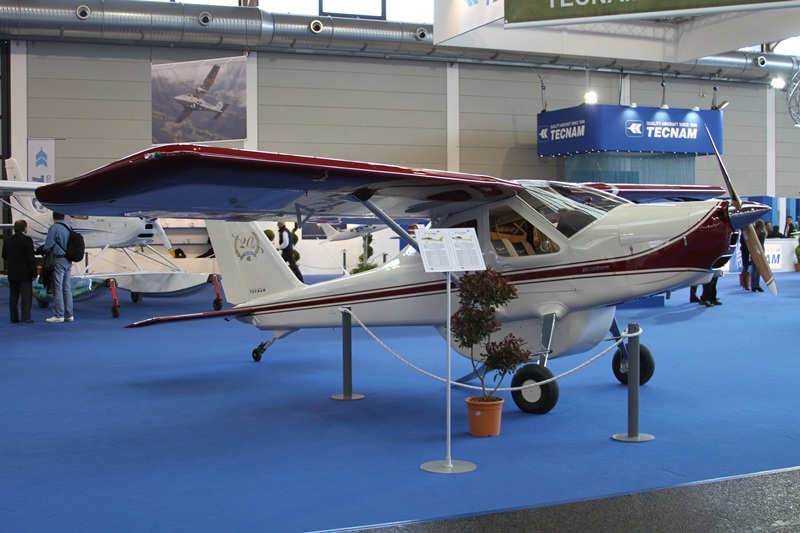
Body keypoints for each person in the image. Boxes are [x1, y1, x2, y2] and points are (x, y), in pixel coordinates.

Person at [2, 219, 38, 323]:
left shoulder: (8, 240)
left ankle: (14, 318)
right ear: (24, 228)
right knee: (26, 297)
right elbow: (30, 258)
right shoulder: (27, 240)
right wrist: (34, 272)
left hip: (12, 272)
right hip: (25, 273)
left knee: (13, 297)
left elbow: (4, 255)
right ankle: (25, 317)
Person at [42, 212, 74, 323]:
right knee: (67, 288)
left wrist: (45, 249)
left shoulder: (54, 228)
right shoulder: (69, 227)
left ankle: (58, 315)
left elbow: (48, 246)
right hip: (68, 260)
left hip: (59, 259)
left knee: (57, 287)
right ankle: (69, 314)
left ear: (53, 217)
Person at [750, 219, 767, 293]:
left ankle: (753, 285)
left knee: (754, 268)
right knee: (758, 269)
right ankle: (756, 284)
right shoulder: (762, 233)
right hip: (760, 251)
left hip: (753, 250)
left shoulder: (754, 232)